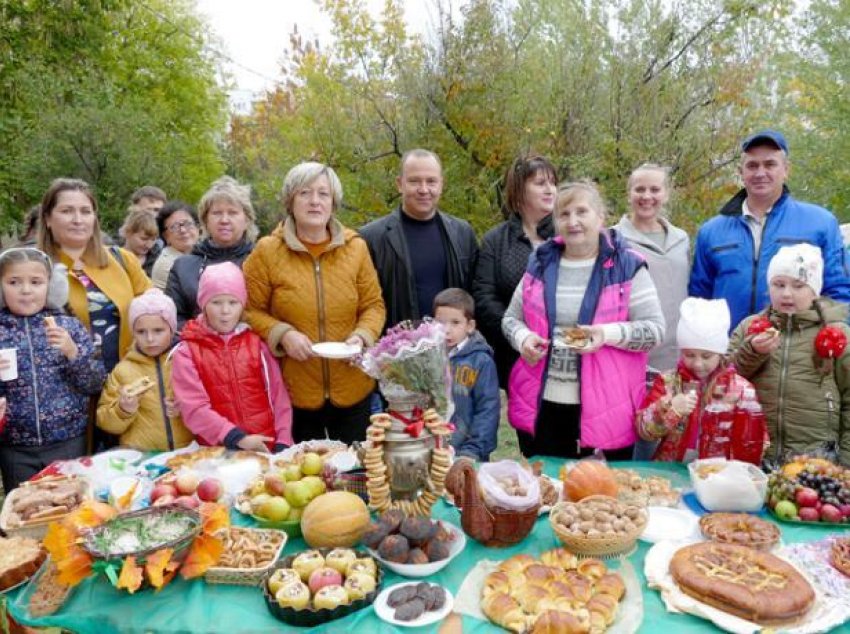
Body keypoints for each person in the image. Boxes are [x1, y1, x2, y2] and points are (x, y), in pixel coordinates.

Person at [502, 180, 665, 459]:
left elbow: (655, 331)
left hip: (607, 409)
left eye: (581, 212)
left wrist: (606, 334)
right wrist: (523, 338)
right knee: (548, 493)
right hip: (545, 405)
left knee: (600, 498)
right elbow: (510, 319)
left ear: (600, 217)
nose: (573, 221)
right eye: (564, 214)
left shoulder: (627, 265)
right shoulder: (540, 263)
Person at [243, 162, 385, 444]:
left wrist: (362, 335)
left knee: (355, 474)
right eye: (305, 193)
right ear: (290, 200)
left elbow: (373, 305)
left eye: (323, 194)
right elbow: (248, 311)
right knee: (304, 474)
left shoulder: (356, 247)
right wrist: (283, 334)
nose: (315, 201)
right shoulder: (267, 251)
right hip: (294, 391)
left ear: (334, 202)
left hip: (353, 385)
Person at [689, 129, 850, 330]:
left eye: (770, 164)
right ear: (741, 172)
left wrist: (832, 341)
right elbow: (699, 300)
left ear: (786, 169)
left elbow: (839, 292)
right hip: (729, 353)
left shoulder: (821, 223)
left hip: (794, 356)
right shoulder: (711, 232)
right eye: (752, 165)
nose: (760, 173)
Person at [730, 244, 850, 466]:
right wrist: (753, 352)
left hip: (816, 462)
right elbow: (724, 381)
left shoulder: (837, 333)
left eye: (798, 286)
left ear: (815, 291)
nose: (786, 293)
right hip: (754, 456)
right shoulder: (750, 327)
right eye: (778, 284)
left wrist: (846, 465)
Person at [0, 248, 105, 491]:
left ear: (51, 286)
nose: (26, 290)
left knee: (70, 507)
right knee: (27, 512)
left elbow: (94, 383)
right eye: (14, 282)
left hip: (68, 442)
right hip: (15, 447)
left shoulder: (69, 326)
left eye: (36, 282)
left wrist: (72, 353)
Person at [172, 262, 293, 453]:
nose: (225, 311)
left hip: (266, 446)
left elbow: (279, 397)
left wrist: (284, 440)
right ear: (203, 305)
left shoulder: (257, 345)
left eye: (233, 302)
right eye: (216, 302)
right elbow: (193, 408)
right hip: (218, 452)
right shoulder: (187, 352)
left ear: (242, 304)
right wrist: (237, 438)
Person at [37, 178, 152, 374]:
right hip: (63, 391)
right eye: (67, 211)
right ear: (48, 218)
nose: (78, 219)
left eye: (85, 211)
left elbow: (156, 313)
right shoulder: (33, 268)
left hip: (126, 385)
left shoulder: (123, 260)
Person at [360, 149, 478, 328]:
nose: (424, 190)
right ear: (400, 184)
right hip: (395, 350)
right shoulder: (371, 238)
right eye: (414, 181)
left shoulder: (463, 233)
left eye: (431, 181)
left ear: (441, 184)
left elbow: (474, 296)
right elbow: (364, 303)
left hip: (451, 348)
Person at [636, 298, 760, 462]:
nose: (697, 363)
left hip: (717, 475)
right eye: (689, 355)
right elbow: (644, 431)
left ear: (721, 353)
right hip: (670, 471)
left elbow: (755, 442)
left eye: (707, 356)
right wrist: (669, 409)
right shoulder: (669, 383)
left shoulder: (740, 390)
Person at [473, 155, 557, 390]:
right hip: (516, 356)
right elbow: (484, 298)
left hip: (567, 355)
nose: (550, 189)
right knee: (528, 424)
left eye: (552, 182)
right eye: (540, 183)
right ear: (519, 191)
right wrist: (520, 335)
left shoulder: (569, 234)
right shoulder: (496, 241)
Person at [96, 292, 193, 451]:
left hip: (187, 453)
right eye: (141, 332)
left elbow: (210, 403)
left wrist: (186, 408)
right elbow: (105, 422)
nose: (149, 339)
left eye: (158, 330)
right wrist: (123, 409)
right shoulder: (123, 371)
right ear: (133, 332)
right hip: (142, 458)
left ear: (172, 329)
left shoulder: (187, 361)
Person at [166, 176, 256, 329]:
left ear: (246, 220)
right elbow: (172, 319)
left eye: (233, 213)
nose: (224, 220)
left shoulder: (261, 261)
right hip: (196, 348)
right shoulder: (183, 267)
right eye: (217, 213)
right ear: (205, 220)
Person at [434, 288, 500, 462]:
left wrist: (473, 451)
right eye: (441, 323)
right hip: (434, 449)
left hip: (468, 452)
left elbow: (487, 410)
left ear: (470, 326)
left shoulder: (481, 361)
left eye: (455, 323)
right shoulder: (429, 357)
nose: (447, 330)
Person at [151, 201, 200, 290]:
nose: (183, 230)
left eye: (187, 223)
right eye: (174, 227)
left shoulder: (202, 252)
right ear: (166, 236)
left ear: (197, 227)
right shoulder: (168, 264)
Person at [118, 206, 162, 277]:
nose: (149, 245)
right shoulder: (113, 256)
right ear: (128, 232)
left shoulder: (156, 259)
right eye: (144, 239)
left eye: (153, 240)